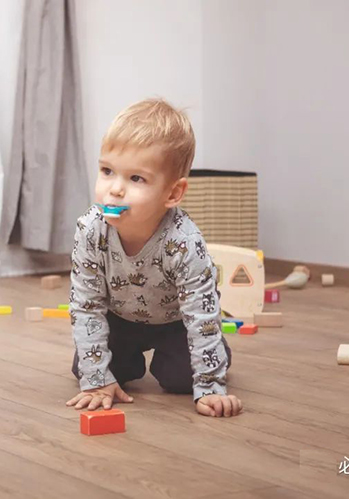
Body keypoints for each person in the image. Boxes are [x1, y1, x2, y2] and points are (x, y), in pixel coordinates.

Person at [66, 98, 242, 417]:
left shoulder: (184, 242)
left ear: (172, 193)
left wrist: (210, 386)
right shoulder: (90, 229)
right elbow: (86, 305)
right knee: (88, 370)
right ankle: (124, 361)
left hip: (176, 322)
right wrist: (97, 379)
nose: (114, 189)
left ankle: (210, 356)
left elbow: (201, 315)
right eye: (107, 171)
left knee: (181, 379)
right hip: (119, 319)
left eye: (136, 178)